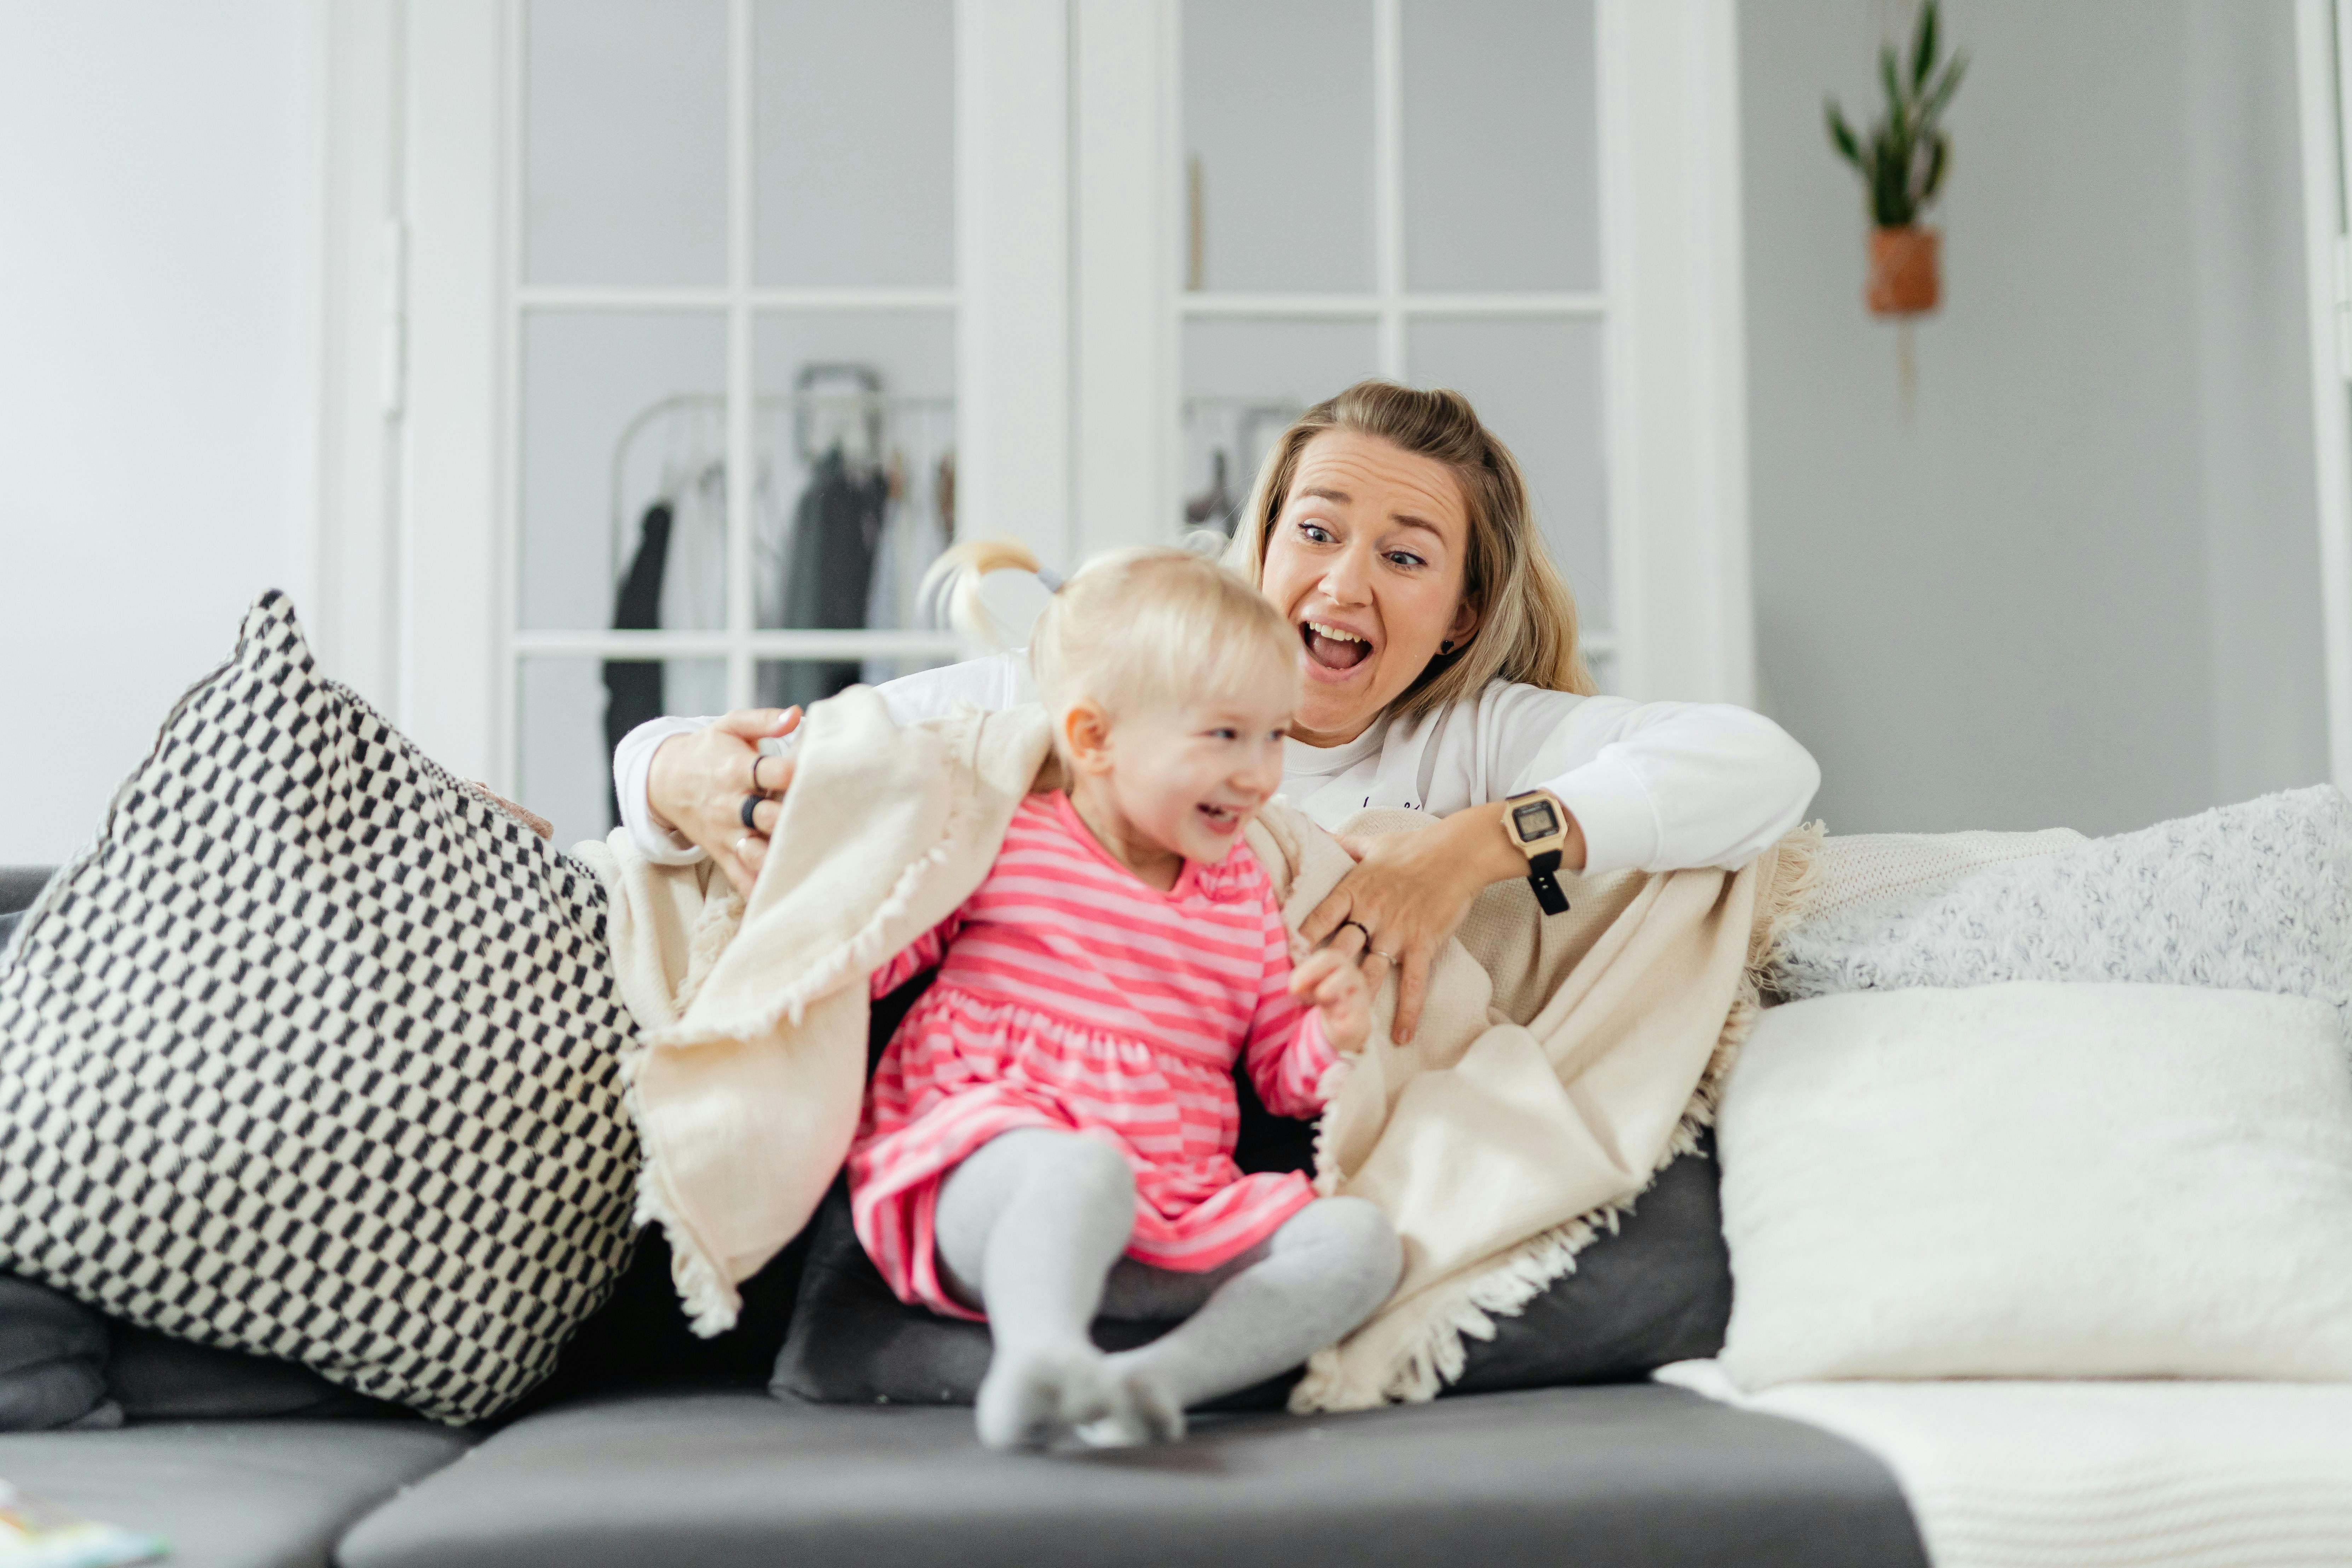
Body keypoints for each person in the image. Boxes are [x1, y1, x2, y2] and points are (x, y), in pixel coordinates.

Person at [617, 378, 1821, 1043]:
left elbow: (1763, 765)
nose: (1344, 582)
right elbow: (819, 742)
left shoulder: (1477, 739)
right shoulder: (1113, 682)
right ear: (1261, 547)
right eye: (1316, 531)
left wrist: (1470, 847)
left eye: (1404, 557)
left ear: (1460, 613)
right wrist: (672, 772)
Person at [847, 544, 1396, 1451]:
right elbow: (880, 955)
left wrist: (1328, 1033)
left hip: (1173, 1208)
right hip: (986, 1181)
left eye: (1275, 737)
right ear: (1096, 739)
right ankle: (1041, 1356)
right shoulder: (1012, 838)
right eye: (1224, 735)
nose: (1259, 773)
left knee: (1361, 1242)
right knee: (1083, 1167)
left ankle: (1140, 1385)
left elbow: (1278, 1075)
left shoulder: (1241, 898)